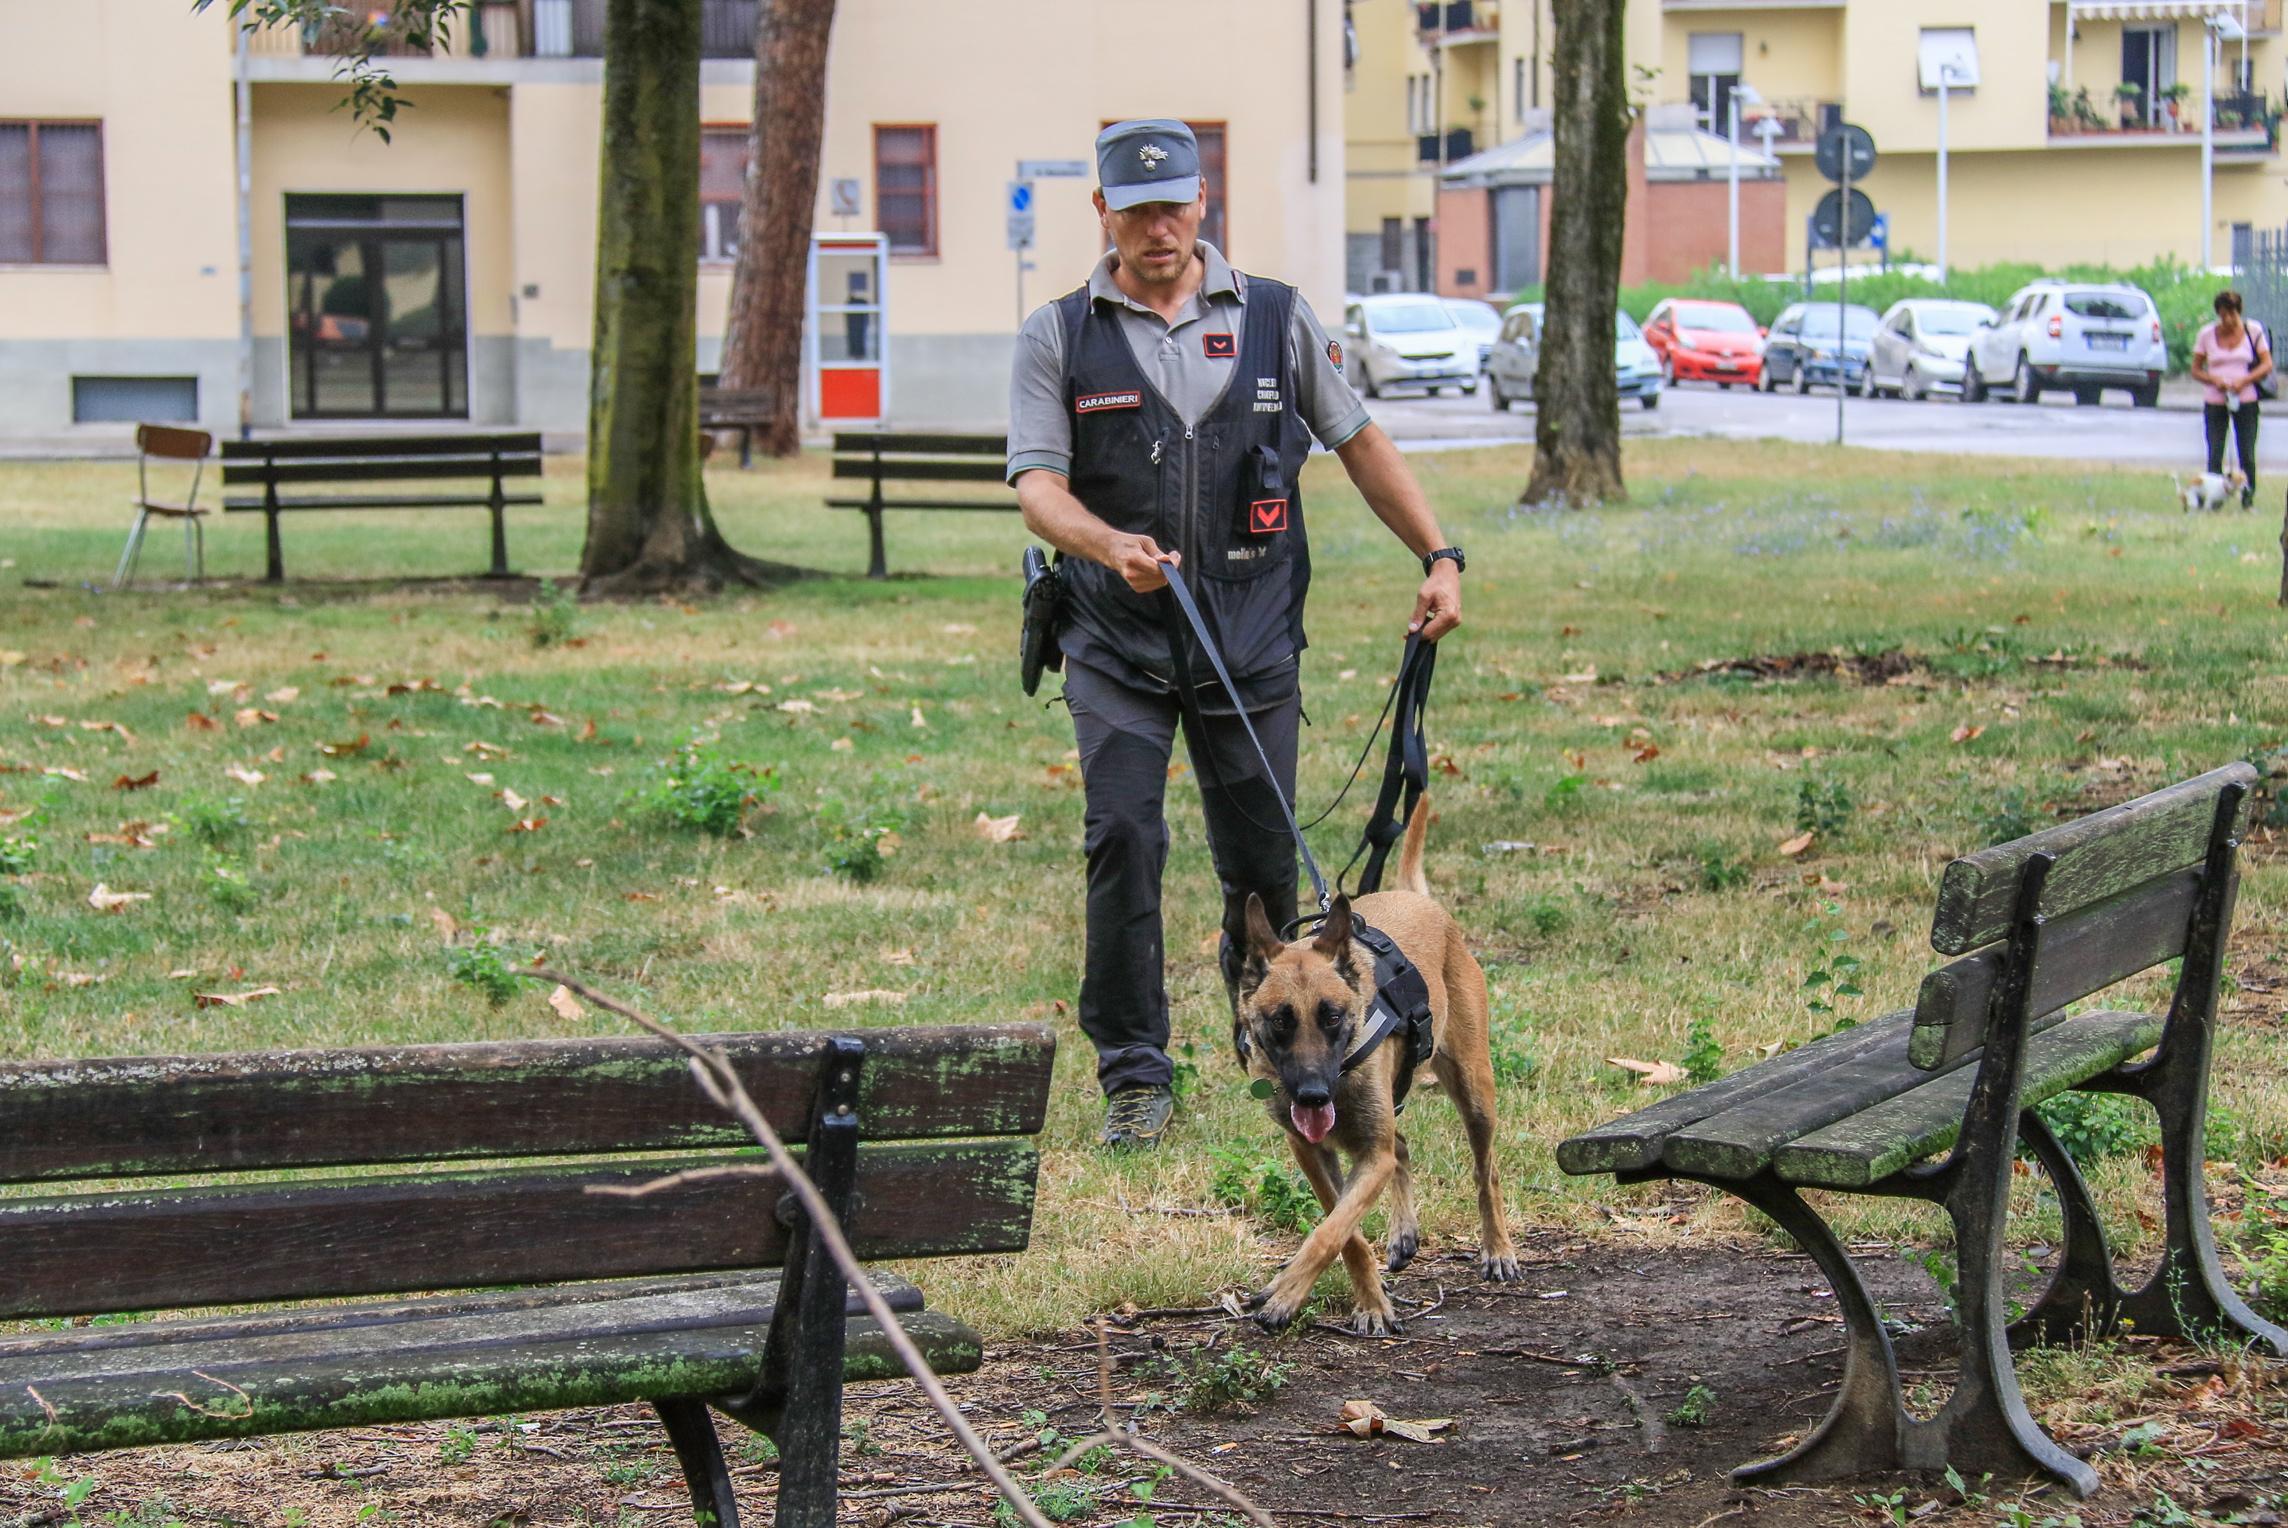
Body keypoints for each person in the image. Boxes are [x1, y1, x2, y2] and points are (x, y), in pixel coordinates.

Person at [1007, 119, 1466, 1151]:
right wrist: (1103, 541)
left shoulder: (1273, 319)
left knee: (1259, 874)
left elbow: (1356, 441)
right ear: (1102, 213)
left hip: (1249, 640)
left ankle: (1270, 1040)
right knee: (1123, 838)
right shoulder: (1058, 332)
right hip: (1113, 639)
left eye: (1173, 207)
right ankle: (1133, 1071)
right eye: (1135, 211)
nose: (1156, 229)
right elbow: (1037, 487)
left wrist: (1439, 554)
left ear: (1201, 205)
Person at [2191, 288, 2273, 509]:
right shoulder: (2207, 334)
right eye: (2222, 315)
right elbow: (2196, 369)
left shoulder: (2252, 331)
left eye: (2231, 314)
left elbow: (2267, 364)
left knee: (2246, 451)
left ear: (2239, 312)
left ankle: (2248, 498)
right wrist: (2213, 380)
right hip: (2216, 400)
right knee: (2215, 450)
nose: (2227, 320)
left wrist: (2244, 381)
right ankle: (2212, 499)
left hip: (2245, 399)